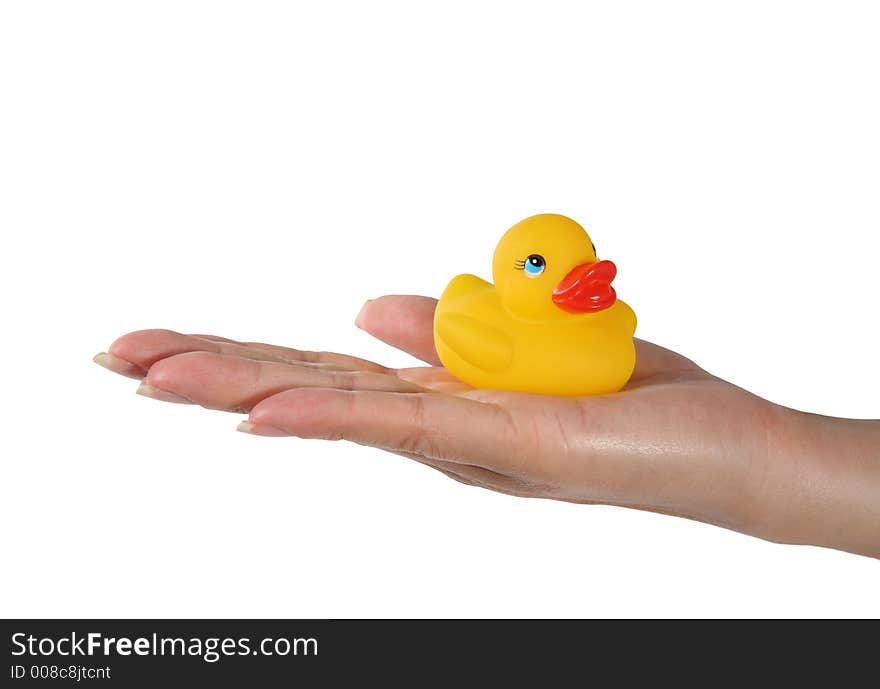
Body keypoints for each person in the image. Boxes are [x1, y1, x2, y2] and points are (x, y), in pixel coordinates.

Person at [93, 295, 879, 558]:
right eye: (540, 268)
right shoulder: (496, 334)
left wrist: (770, 462)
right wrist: (776, 461)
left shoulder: (607, 330)